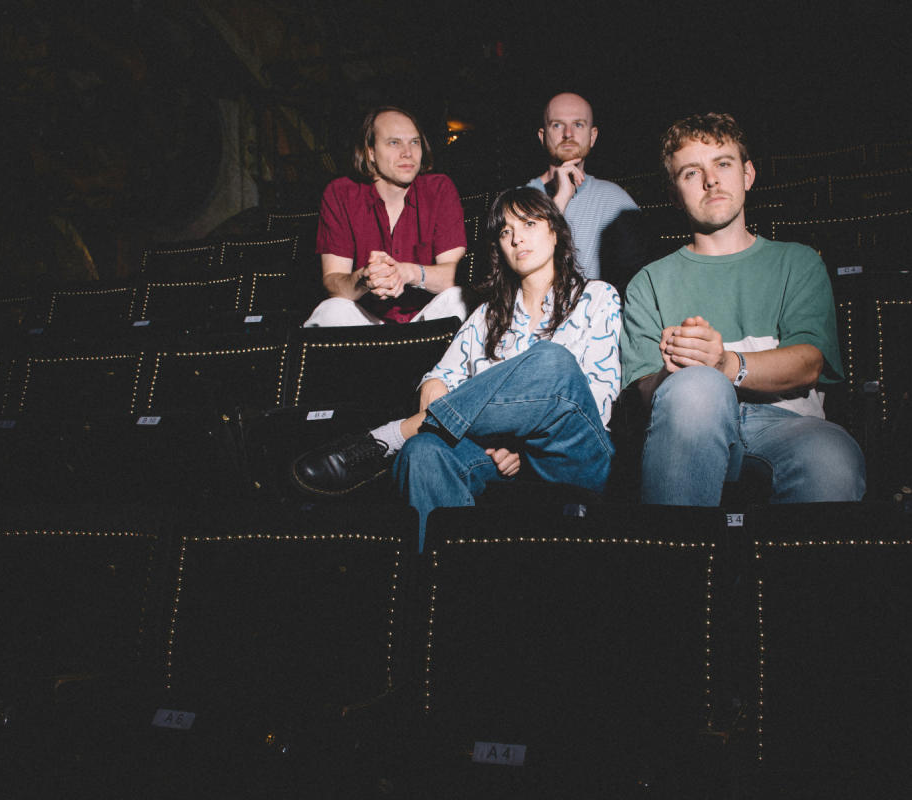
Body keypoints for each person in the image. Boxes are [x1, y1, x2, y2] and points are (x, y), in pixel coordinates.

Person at [292, 187, 622, 547]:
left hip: (573, 455)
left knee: (552, 361)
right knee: (422, 453)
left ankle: (389, 436)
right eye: (505, 231)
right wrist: (496, 441)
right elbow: (436, 380)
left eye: (529, 223)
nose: (517, 238)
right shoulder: (487, 314)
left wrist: (519, 445)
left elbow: (598, 402)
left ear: (555, 231)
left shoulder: (597, 296)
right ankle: (445, 585)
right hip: (495, 460)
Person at [620, 112, 865, 506]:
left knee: (831, 459)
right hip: (690, 426)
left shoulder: (797, 263)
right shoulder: (650, 281)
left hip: (788, 426)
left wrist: (724, 364)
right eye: (690, 173)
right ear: (673, 193)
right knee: (696, 388)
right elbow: (643, 392)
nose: (711, 180)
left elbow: (809, 363)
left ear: (748, 174)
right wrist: (673, 375)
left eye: (723, 164)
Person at [303, 106, 468, 326]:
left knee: (458, 299)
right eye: (394, 142)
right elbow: (333, 281)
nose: (407, 152)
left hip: (426, 318)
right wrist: (364, 279)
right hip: (366, 321)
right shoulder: (341, 193)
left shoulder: (439, 189)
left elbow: (452, 275)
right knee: (330, 310)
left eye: (414, 142)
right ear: (370, 152)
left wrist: (408, 272)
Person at [527, 92, 643, 286]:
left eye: (578, 124)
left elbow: (640, 278)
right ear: (542, 136)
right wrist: (560, 200)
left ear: (592, 136)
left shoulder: (616, 201)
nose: (568, 134)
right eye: (557, 125)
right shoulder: (517, 202)